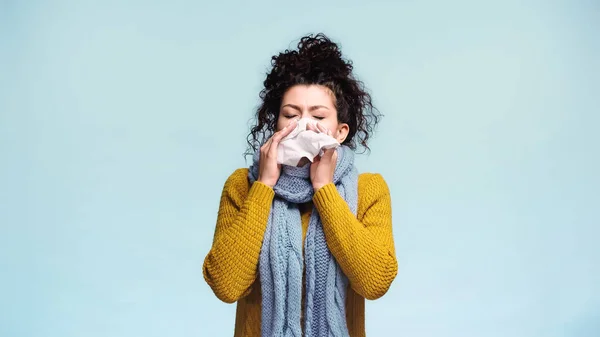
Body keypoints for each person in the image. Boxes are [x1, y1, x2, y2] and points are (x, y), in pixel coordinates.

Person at [203, 33, 398, 337]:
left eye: (318, 116)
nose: (304, 126)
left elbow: (374, 283)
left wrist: (325, 190)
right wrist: (265, 185)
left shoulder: (369, 190)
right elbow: (226, 286)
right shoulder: (243, 185)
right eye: (291, 115)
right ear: (277, 124)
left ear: (341, 131)